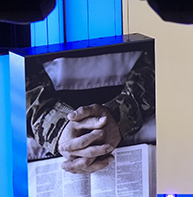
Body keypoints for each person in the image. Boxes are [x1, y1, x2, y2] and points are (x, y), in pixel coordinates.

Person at [26, 48, 155, 174]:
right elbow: (11, 68)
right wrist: (56, 128)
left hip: (150, 134)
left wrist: (121, 115)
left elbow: (166, 47)